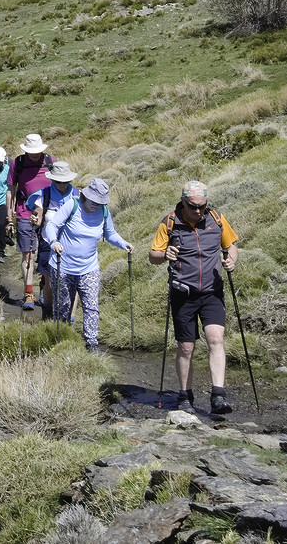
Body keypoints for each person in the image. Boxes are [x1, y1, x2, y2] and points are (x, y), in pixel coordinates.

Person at [148, 181, 241, 414]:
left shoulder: (217, 219)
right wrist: (164, 255)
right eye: (193, 206)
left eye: (202, 206)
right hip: (183, 293)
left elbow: (231, 245)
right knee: (186, 347)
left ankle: (218, 396)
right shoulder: (170, 223)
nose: (198, 211)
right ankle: (184, 396)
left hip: (212, 291)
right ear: (183, 202)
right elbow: (153, 255)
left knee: (216, 339)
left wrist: (232, 259)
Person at [44, 176, 131, 351]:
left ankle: (92, 342)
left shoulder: (104, 213)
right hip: (63, 266)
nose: (95, 206)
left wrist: (124, 244)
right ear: (86, 196)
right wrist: (53, 242)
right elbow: (52, 225)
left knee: (91, 306)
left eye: (99, 203)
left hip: (89, 268)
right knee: (63, 306)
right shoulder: (72, 205)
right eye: (93, 202)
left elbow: (111, 233)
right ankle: (61, 339)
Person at [10, 133, 56, 309]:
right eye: (32, 151)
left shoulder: (50, 162)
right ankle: (28, 294)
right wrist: (10, 215)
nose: (35, 154)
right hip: (24, 213)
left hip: (49, 213)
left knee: (46, 253)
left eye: (37, 151)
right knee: (28, 254)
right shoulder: (18, 163)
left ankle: (46, 292)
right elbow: (11, 189)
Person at [30, 160, 79, 314]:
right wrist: (35, 219)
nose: (62, 185)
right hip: (47, 242)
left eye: (65, 181)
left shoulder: (77, 195)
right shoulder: (44, 194)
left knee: (72, 281)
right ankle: (49, 312)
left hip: (71, 243)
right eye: (58, 181)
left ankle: (70, 315)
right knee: (50, 282)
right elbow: (37, 214)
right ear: (52, 179)